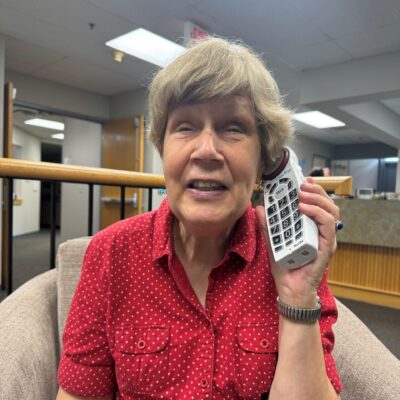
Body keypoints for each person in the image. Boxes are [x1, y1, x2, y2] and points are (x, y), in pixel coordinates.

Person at [57, 37, 342, 399]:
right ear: (163, 151)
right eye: (185, 127)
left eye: (233, 128)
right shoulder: (111, 254)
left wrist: (297, 295)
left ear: (263, 165)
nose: (206, 150)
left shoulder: (292, 256)